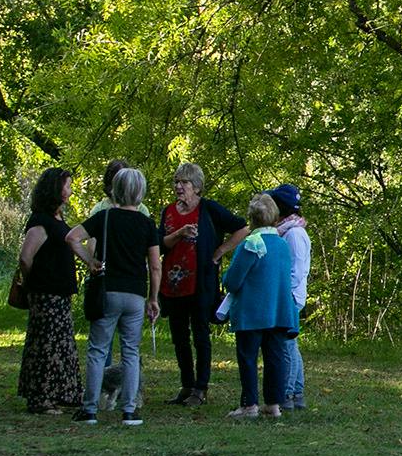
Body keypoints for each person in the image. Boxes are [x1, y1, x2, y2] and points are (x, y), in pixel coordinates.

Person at [157, 162, 249, 406]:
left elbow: (242, 228)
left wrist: (220, 251)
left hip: (200, 284)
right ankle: (186, 384)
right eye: (177, 182)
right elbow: (159, 245)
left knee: (200, 335)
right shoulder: (168, 212)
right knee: (179, 337)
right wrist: (178, 234)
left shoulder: (209, 210)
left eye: (184, 182)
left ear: (197, 187)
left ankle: (201, 387)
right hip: (173, 284)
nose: (179, 186)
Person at [77, 167, 161, 426]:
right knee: (131, 352)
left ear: (115, 190)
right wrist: (153, 297)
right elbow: (155, 265)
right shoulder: (147, 224)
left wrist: (90, 261)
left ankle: (90, 409)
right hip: (135, 293)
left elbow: (71, 237)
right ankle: (129, 410)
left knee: (98, 350)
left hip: (108, 290)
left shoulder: (103, 218)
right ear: (140, 193)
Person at [17, 167, 95, 414]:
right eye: (68, 186)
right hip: (45, 292)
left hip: (60, 293)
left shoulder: (58, 219)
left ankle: (63, 392)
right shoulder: (41, 222)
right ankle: (41, 398)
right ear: (56, 189)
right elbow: (25, 258)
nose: (70, 191)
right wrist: (33, 283)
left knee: (62, 344)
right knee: (46, 345)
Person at [219, 192, 296, 418]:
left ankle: (249, 404)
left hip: (251, 312)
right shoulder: (282, 245)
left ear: (252, 219)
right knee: (275, 358)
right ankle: (273, 404)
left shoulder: (250, 244)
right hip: (279, 311)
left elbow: (233, 280)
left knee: (248, 357)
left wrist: (225, 278)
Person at [268, 184, 310, 411]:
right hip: (289, 295)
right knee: (290, 344)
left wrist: (285, 296)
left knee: (286, 345)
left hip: (290, 296)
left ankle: (287, 393)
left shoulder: (293, 234)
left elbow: (296, 270)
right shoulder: (288, 230)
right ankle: (296, 392)